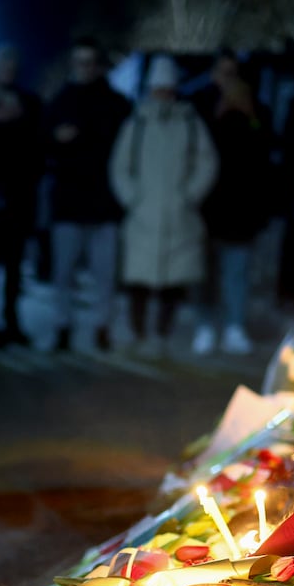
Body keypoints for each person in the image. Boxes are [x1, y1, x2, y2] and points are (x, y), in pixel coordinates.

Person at [109, 54, 217, 358]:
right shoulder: (137, 122)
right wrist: (133, 198)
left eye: (167, 89)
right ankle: (138, 331)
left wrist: (190, 195)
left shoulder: (190, 122)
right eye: (158, 89)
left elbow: (207, 162)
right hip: (144, 214)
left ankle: (162, 333)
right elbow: (120, 166)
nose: (163, 95)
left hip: (178, 214)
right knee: (138, 281)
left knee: (173, 282)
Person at [45, 37, 131, 353]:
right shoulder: (60, 101)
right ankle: (62, 328)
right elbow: (43, 145)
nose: (85, 68)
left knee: (104, 276)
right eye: (80, 62)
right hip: (68, 202)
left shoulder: (117, 103)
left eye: (90, 62)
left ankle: (102, 327)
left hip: (105, 203)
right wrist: (56, 139)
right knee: (63, 274)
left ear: (99, 65)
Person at [192, 50, 271, 357]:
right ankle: (205, 326)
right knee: (204, 272)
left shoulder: (256, 110)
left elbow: (264, 148)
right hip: (206, 206)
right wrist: (219, 111)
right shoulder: (201, 106)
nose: (229, 80)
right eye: (223, 73)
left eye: (233, 73)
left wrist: (249, 114)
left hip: (241, 208)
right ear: (214, 75)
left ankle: (234, 327)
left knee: (236, 272)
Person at [0, 43, 43, 347]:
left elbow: (39, 147)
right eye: (2, 63)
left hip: (20, 196)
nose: (7, 69)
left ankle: (11, 321)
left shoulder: (30, 104)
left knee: (14, 265)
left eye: (11, 63)